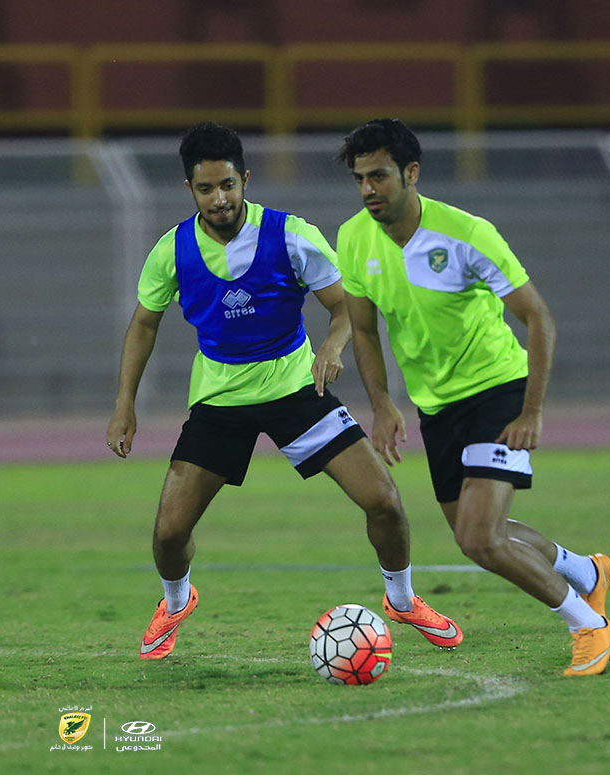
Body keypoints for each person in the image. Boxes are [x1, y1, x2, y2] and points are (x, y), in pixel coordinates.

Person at [106, 121, 462, 661]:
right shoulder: (171, 250)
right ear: (189, 189)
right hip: (220, 401)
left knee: (385, 502)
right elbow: (143, 324)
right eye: (206, 188)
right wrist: (124, 404)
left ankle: (402, 600)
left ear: (245, 180)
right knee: (169, 533)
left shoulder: (291, 234)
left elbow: (346, 308)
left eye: (228, 185)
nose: (219, 198)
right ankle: (176, 601)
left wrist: (332, 347)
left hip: (296, 389)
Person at [335, 118, 610, 677]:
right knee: (480, 530)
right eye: (360, 179)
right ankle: (587, 571)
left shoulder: (466, 234)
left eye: (379, 176)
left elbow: (538, 318)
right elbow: (363, 330)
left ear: (411, 173)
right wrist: (383, 404)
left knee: (478, 538)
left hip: (497, 391)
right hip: (437, 408)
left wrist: (531, 410)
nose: (368, 189)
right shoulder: (353, 238)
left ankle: (590, 625)